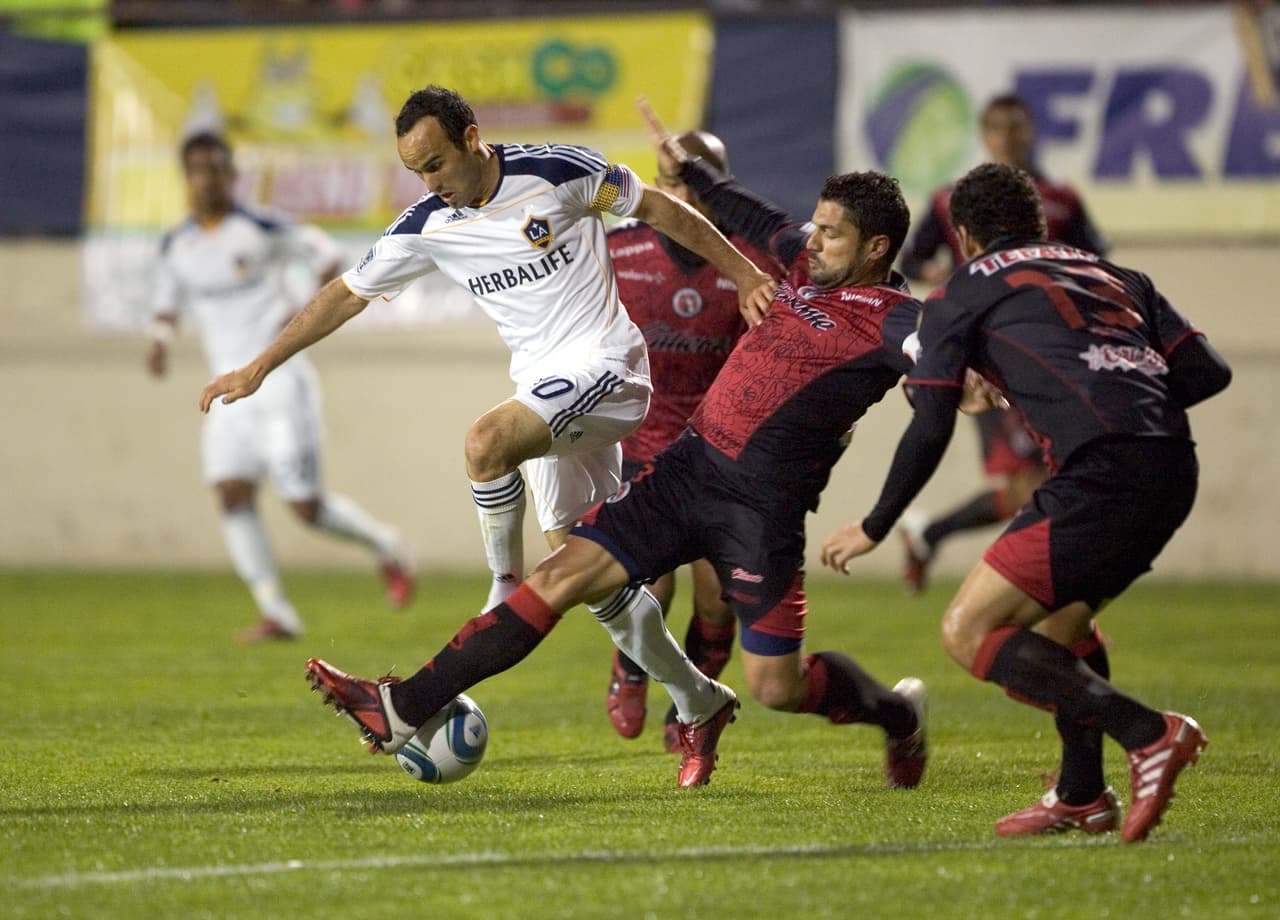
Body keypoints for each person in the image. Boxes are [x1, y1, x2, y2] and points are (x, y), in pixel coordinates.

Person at [296, 100, 942, 792]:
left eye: (833, 235)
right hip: (688, 469)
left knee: (775, 684)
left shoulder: (898, 320)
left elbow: (944, 377)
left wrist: (959, 392)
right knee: (560, 576)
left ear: (877, 249)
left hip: (764, 507)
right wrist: (687, 168)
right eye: (815, 226)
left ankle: (897, 715)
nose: (812, 241)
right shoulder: (790, 261)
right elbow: (742, 212)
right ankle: (403, 706)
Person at [200, 85, 778, 786]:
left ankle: (502, 584)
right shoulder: (428, 224)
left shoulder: (557, 173)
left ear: (472, 139)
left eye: (437, 163)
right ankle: (699, 699)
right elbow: (346, 294)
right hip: (548, 393)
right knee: (590, 579)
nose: (431, 182)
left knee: (485, 443)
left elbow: (657, 207)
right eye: (417, 171)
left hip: (609, 368)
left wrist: (745, 272)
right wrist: (261, 365)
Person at [821, 162, 1231, 842]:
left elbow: (932, 419)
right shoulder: (1113, 275)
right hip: (1169, 465)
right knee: (1058, 627)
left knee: (968, 631)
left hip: (1099, 473)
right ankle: (1080, 795)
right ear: (1038, 222)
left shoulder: (965, 286)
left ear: (963, 234)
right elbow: (1205, 372)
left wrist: (876, 523)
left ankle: (1149, 733)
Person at [148, 132, 415, 643]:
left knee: (305, 508)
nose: (209, 178)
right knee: (231, 494)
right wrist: (158, 339)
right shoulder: (177, 244)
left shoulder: (262, 227)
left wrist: (305, 307)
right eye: (199, 168)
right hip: (227, 389)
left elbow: (327, 254)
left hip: (279, 381)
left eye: (218, 167)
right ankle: (277, 611)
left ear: (231, 174)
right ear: (187, 178)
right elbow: (166, 302)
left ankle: (386, 545)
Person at [604, 129, 784, 751]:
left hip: (718, 449)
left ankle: (691, 709)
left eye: (695, 176)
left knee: (718, 601)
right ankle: (629, 669)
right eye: (670, 178)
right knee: (651, 580)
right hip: (639, 439)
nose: (681, 190)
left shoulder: (752, 264)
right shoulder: (618, 250)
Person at [896, 93, 1110, 594]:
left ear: (1031, 131)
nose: (1008, 138)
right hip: (988, 358)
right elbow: (911, 260)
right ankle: (1026, 588)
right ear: (985, 135)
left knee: (1050, 481)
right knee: (1031, 487)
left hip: (1052, 356)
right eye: (998, 128)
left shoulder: (1062, 199)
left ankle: (933, 534)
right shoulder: (954, 202)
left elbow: (1096, 264)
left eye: (1016, 127)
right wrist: (935, 270)